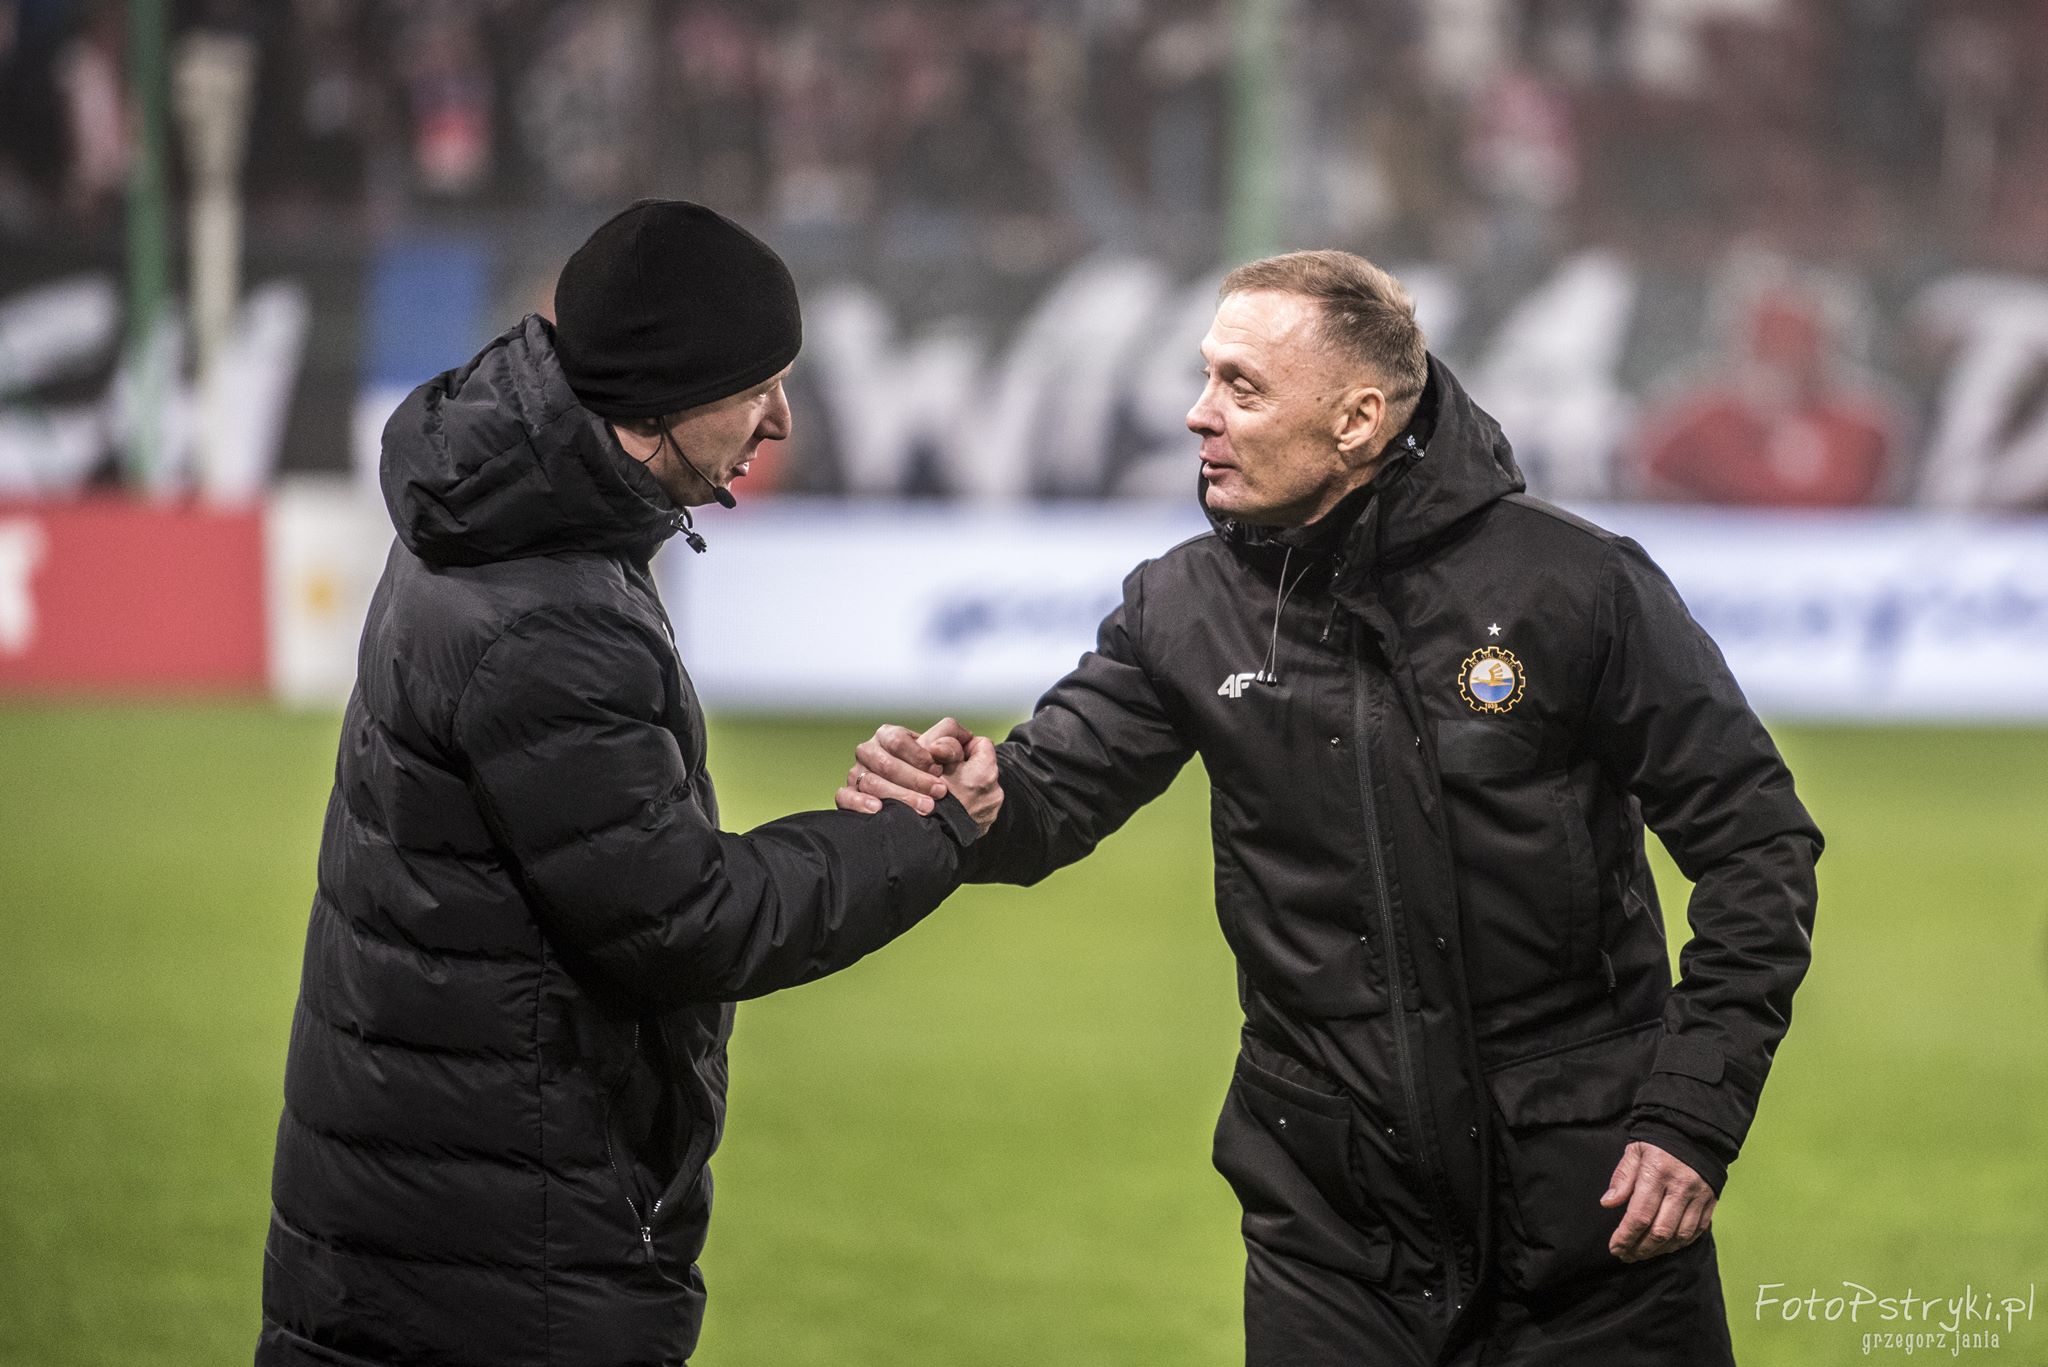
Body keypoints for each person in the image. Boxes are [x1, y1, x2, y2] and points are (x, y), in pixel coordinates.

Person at [842, 250, 1820, 1365]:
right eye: (1205, 374)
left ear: (1355, 421)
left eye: (1241, 386)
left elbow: (1756, 843)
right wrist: (977, 798)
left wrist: (1692, 1106)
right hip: (1330, 1236)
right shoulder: (1180, 604)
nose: (1197, 412)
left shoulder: (1576, 585)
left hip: (1593, 1222)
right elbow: (1050, 793)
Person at [257, 199, 1000, 1367]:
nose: (780, 419)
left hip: (420, 1208)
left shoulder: (495, 518)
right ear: (662, 397)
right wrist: (920, 829)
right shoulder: (548, 612)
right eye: (757, 385)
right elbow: (680, 920)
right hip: (502, 1250)